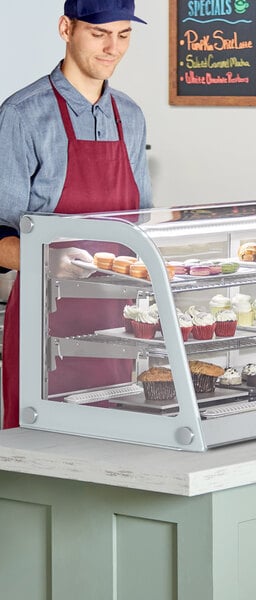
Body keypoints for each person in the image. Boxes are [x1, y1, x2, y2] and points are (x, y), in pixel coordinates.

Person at [0, 0, 152, 429]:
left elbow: (142, 222)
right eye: (99, 33)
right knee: (46, 453)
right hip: (47, 324)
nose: (113, 48)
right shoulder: (22, 115)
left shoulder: (131, 116)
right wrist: (49, 260)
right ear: (66, 28)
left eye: (123, 35)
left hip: (121, 323)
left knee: (118, 441)